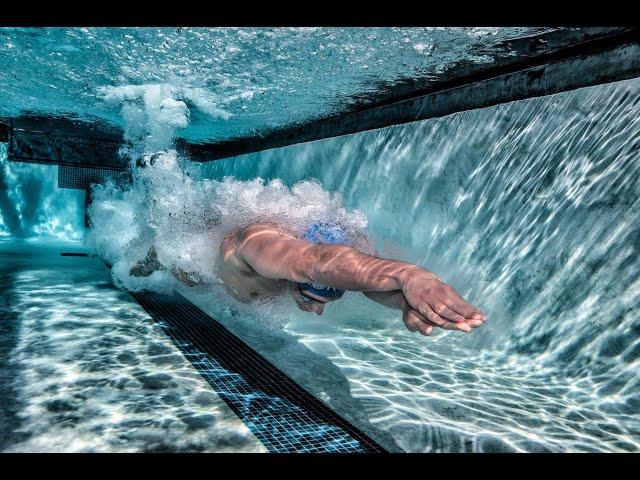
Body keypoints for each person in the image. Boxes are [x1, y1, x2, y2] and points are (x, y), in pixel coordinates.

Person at [130, 221, 486, 336]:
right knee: (160, 261)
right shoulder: (262, 245)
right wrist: (409, 274)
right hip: (193, 263)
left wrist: (406, 304)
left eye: (326, 302)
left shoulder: (323, 274)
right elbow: (315, 260)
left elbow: (360, 280)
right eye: (314, 298)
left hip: (223, 286)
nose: (315, 311)